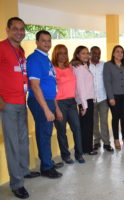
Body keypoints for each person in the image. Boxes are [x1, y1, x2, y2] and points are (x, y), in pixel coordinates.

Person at [0, 17, 40, 199]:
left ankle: (23, 170)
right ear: (8, 29)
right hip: (7, 103)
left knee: (23, 139)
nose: (19, 32)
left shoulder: (21, 50)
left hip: (20, 101)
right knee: (13, 144)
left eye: (22, 29)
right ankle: (16, 183)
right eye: (15, 28)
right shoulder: (1, 47)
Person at [27, 30, 63, 179]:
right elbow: (35, 86)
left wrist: (55, 107)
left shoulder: (45, 59)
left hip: (48, 100)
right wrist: (46, 109)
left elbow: (51, 85)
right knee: (43, 133)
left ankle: (47, 162)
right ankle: (46, 168)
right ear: (36, 42)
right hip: (40, 101)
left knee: (46, 133)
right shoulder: (35, 59)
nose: (47, 43)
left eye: (49, 40)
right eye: (43, 40)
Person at [52, 44, 85, 164]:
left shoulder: (71, 67)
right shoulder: (52, 69)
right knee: (61, 131)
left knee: (77, 128)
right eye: (60, 53)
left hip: (72, 102)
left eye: (65, 53)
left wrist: (81, 103)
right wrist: (56, 109)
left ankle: (79, 153)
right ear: (56, 54)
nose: (63, 55)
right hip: (59, 103)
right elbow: (52, 91)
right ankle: (65, 155)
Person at [103, 45, 124, 149]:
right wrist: (111, 97)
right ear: (113, 53)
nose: (119, 54)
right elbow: (107, 82)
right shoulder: (108, 65)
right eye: (117, 51)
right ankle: (116, 139)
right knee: (115, 118)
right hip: (114, 97)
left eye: (121, 52)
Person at [71, 46, 96, 155]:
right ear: (77, 55)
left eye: (87, 53)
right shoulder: (79, 68)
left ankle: (86, 148)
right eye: (83, 53)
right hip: (84, 101)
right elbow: (80, 87)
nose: (86, 55)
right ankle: (87, 149)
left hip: (87, 100)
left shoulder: (83, 66)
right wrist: (84, 106)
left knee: (87, 125)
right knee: (86, 126)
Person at [89, 46, 114, 152]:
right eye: (94, 53)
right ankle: (96, 141)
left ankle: (107, 143)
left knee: (104, 121)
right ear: (90, 53)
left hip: (103, 98)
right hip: (91, 99)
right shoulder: (85, 65)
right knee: (94, 122)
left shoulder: (104, 65)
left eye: (98, 53)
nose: (97, 55)